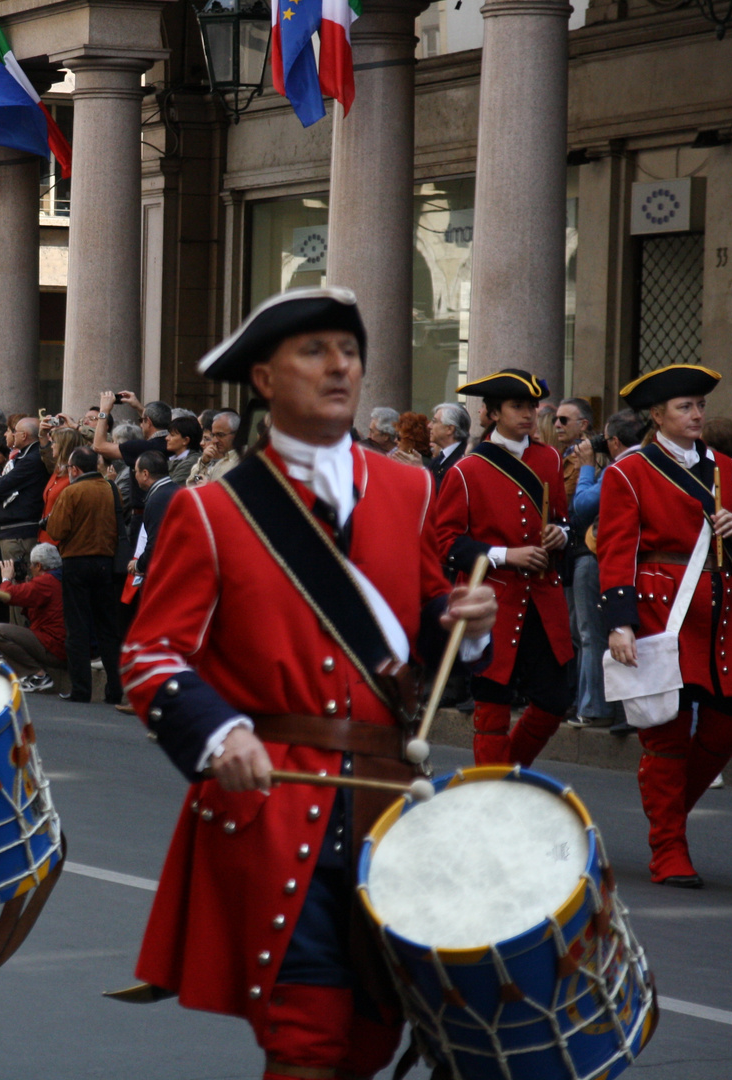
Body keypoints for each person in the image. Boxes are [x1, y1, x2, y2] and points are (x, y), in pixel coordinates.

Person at [118, 286, 496, 1080]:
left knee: (372, 1039)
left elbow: (410, 623)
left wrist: (460, 618)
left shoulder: (409, 488)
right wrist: (222, 732)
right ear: (263, 378)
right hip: (275, 808)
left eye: (350, 352)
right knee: (306, 1039)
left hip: (390, 802)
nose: (340, 368)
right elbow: (150, 657)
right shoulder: (213, 511)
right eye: (314, 351)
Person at [599, 364, 732, 888]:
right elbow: (617, 551)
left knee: (729, 722)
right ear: (657, 415)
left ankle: (668, 816)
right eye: (685, 407)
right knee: (664, 731)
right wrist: (620, 624)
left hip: (722, 610)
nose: (697, 415)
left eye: (700, 406)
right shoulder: (629, 471)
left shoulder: (728, 469)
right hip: (661, 607)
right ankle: (668, 849)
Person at [432, 368, 572, 766]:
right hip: (494, 601)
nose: (528, 413)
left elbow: (562, 518)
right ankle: (492, 793)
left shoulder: (548, 458)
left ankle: (502, 777)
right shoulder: (466, 469)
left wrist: (561, 534)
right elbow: (446, 543)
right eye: (517, 406)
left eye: (531, 405)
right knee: (492, 707)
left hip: (542, 600)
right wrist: (505, 555)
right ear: (492, 412)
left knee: (554, 701)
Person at [571, 409, 647, 729]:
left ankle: (595, 706)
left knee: (594, 635)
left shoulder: (623, 466)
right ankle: (623, 709)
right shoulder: (656, 463)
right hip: (640, 562)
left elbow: (583, 506)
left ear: (614, 441)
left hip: (602, 557)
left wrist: (587, 467)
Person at [46, 446, 124, 705]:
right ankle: (115, 689)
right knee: (108, 629)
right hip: (106, 563)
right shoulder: (111, 489)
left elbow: (56, 530)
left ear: (75, 469)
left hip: (76, 563)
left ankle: (81, 689)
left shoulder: (72, 491)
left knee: (77, 627)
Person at [0, 543, 66, 692]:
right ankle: (31, 675)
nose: (29, 568)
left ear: (39, 566)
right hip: (61, 645)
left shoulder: (46, 582)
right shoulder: (58, 578)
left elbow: (6, 595)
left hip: (54, 647)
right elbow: (32, 608)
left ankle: (37, 675)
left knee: (0, 631)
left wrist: (6, 579)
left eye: (31, 565)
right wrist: (23, 584)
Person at [0, 416, 48, 574]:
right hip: (16, 531)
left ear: (24, 436)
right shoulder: (26, 456)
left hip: (20, 534)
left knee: (18, 582)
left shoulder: (32, 459)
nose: (9, 435)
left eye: (14, 432)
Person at [132, 450, 180, 579]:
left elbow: (156, 544)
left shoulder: (157, 500)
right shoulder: (178, 490)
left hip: (168, 573)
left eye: (136, 471)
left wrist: (138, 565)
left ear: (145, 474)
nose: (135, 476)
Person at [187, 409, 241, 485]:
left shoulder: (243, 461)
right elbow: (193, 483)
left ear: (236, 434)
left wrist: (209, 486)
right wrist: (203, 463)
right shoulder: (220, 463)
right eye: (213, 435)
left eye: (220, 435)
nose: (215, 440)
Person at [555, 397, 593, 500]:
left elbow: (563, 499)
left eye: (563, 420)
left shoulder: (589, 456)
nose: (557, 425)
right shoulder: (558, 454)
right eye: (556, 419)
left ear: (583, 424)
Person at [426, 402, 469, 490]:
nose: (429, 426)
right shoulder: (439, 458)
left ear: (450, 429)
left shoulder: (464, 457)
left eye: (434, 421)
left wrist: (421, 471)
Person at [164, 415, 204, 485]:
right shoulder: (173, 459)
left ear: (185, 440)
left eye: (172, 435)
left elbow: (172, 487)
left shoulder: (192, 462)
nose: (167, 438)